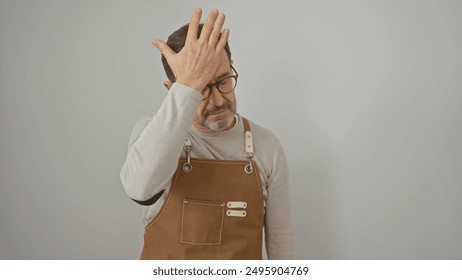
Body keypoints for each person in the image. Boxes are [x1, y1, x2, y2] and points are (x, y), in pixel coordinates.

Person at [120, 8, 294, 260]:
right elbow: (139, 189)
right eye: (201, 89)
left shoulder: (266, 145)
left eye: (223, 81)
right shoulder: (150, 133)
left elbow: (282, 243)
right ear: (173, 90)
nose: (217, 100)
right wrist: (188, 86)